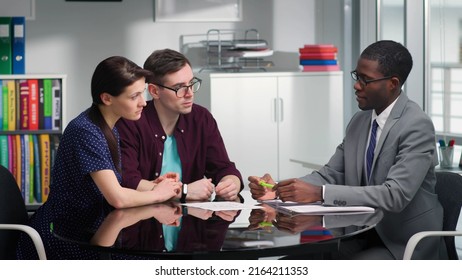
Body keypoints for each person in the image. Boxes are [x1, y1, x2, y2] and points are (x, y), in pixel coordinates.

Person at [249, 40, 445, 260]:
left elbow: (395, 195)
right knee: (288, 265)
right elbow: (330, 173)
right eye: (356, 76)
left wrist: (319, 193)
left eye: (366, 80)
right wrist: (278, 190)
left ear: (393, 83)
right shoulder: (360, 121)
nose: (357, 85)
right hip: (357, 233)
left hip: (400, 243)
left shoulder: (416, 125)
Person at [17, 56, 182, 259]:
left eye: (143, 93)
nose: (143, 103)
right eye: (134, 96)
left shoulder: (108, 127)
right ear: (107, 98)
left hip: (92, 230)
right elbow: (119, 198)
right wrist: (159, 194)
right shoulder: (86, 131)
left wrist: (156, 186)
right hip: (64, 238)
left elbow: (115, 185)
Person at [116, 49, 243, 202]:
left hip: (189, 219)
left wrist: (230, 184)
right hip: (142, 219)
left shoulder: (201, 118)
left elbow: (223, 168)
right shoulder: (131, 122)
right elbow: (127, 181)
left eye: (191, 83)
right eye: (179, 87)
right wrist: (184, 191)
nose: (189, 93)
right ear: (154, 91)